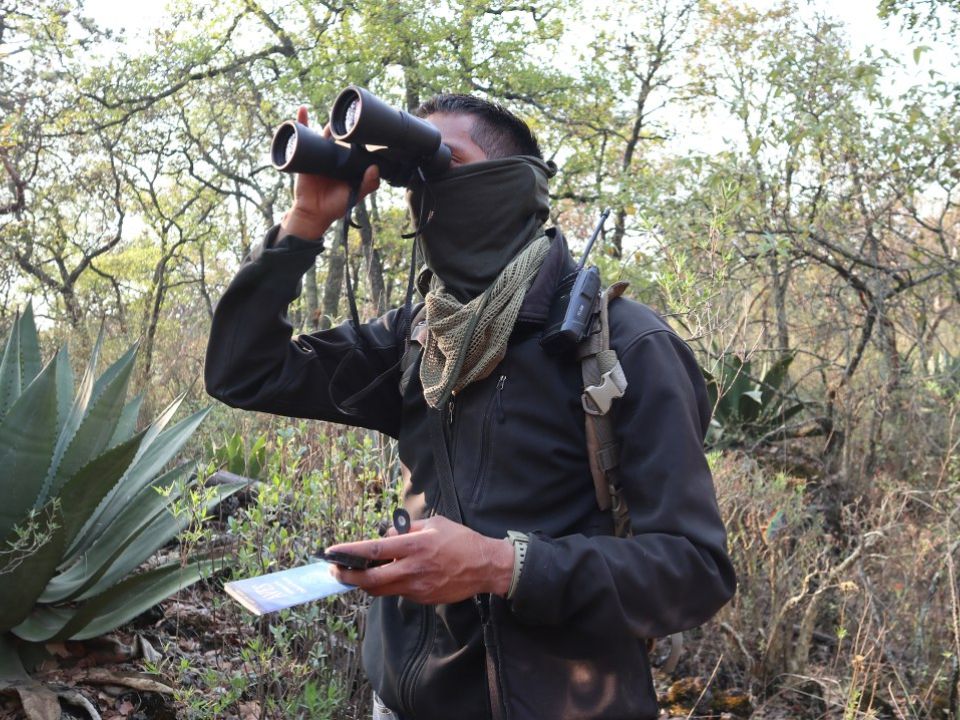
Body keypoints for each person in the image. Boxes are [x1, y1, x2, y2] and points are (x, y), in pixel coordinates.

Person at [205, 93, 736, 720]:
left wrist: (500, 566)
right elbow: (245, 372)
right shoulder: (421, 335)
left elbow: (695, 569)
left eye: (443, 161)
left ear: (514, 183)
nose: (427, 188)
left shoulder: (621, 344)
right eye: (413, 171)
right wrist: (305, 224)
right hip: (401, 701)